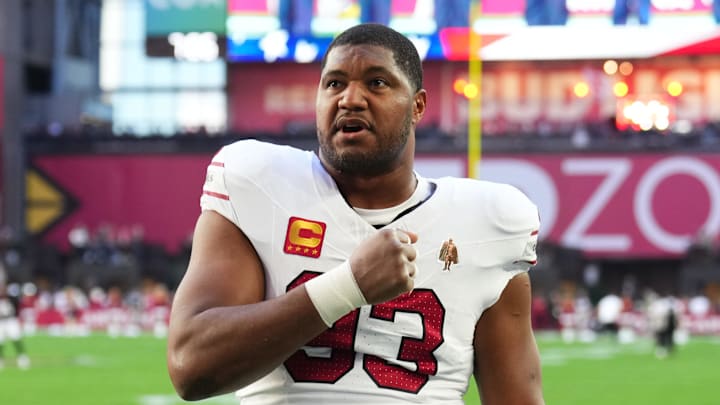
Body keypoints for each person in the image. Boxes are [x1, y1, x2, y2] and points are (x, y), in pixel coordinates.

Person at [167, 23, 544, 404]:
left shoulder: (489, 222)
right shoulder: (257, 182)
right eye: (333, 83)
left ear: (418, 106)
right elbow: (191, 367)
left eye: (377, 83)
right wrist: (349, 286)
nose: (350, 99)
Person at [0, 270, 30, 369]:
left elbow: (17, 308)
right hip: (1, 321)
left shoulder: (11, 298)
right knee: (1, 341)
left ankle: (22, 358)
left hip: (10, 320)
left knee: (16, 339)